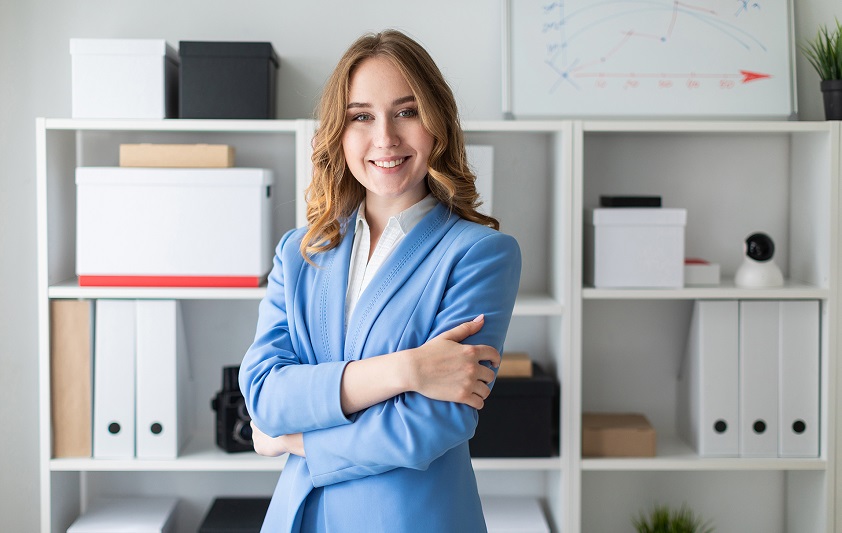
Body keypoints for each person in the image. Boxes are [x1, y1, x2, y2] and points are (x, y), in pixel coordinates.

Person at [239, 29, 521, 533]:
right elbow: (264, 394)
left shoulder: (480, 254)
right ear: (338, 132)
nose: (385, 137)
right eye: (361, 116)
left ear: (437, 124)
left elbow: (433, 423)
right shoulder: (299, 252)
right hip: (299, 517)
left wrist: (292, 441)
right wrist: (408, 370)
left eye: (407, 112)